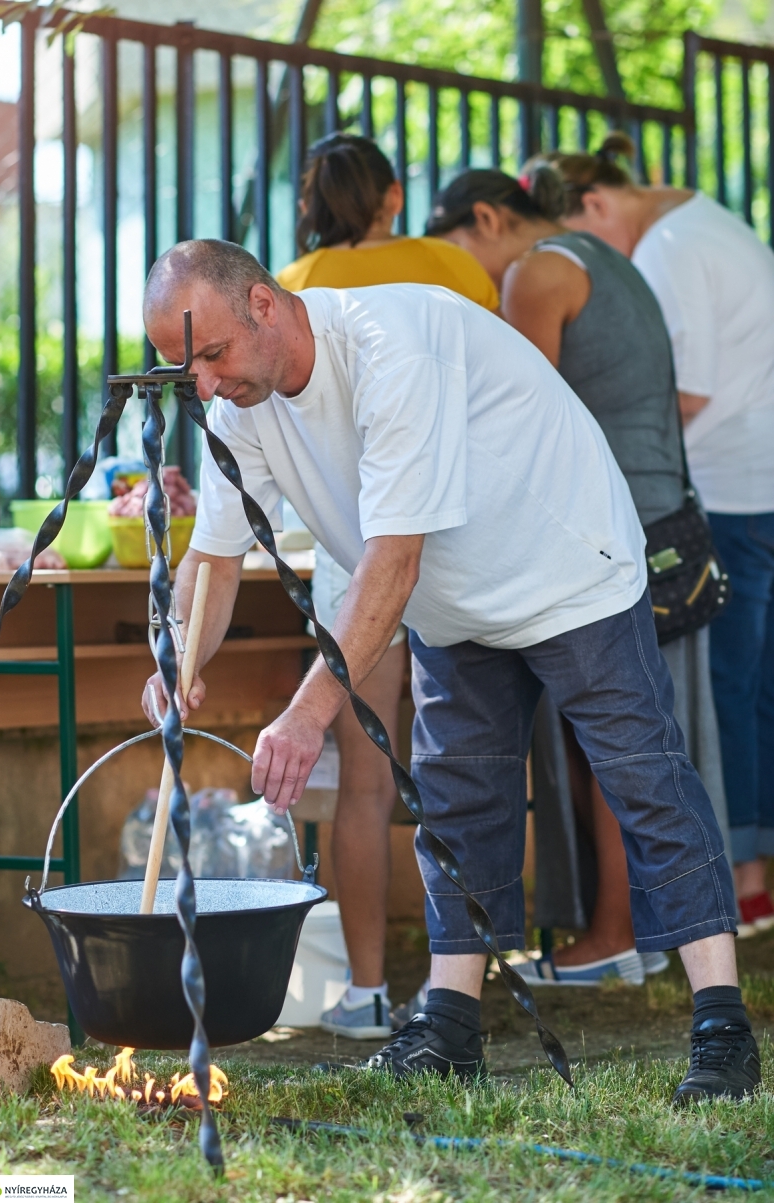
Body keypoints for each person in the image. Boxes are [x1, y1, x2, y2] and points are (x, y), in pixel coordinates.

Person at [142, 238, 757, 1102]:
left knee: (644, 779)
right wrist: (175, 660)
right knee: (458, 802)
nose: (201, 383)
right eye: (183, 367)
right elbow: (213, 559)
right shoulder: (240, 410)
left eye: (210, 354)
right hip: (452, 602)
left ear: (265, 307)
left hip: (566, 561)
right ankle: (451, 1026)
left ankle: (724, 1025)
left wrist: (308, 710)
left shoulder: (392, 346)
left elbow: (390, 562)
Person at [424, 166, 732, 985]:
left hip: (604, 526)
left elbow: (515, 419)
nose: (472, 273)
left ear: (488, 217)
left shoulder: (536, 272)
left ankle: (613, 931)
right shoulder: (604, 256)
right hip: (665, 513)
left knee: (614, 746)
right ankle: (663, 937)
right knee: (652, 744)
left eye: (461, 248)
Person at [276, 133, 499, 1040]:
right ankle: (471, 981)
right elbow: (506, 378)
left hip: (353, 537)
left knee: (364, 783)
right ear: (393, 197)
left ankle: (366, 988)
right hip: (458, 527)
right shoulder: (450, 262)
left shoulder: (289, 284)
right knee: (479, 766)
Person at [543, 133, 774, 939]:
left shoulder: (672, 247)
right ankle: (751, 880)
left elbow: (688, 393)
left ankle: (739, 888)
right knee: (752, 690)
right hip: (756, 483)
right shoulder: (709, 220)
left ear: (597, 205)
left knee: (727, 695)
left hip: (731, 490)